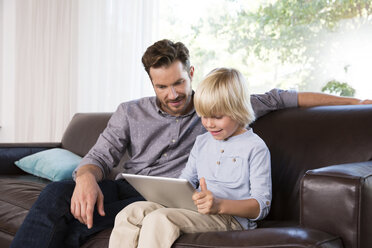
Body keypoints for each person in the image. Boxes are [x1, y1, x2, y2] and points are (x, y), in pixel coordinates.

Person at [10, 39, 372, 248]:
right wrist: (86, 177)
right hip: (134, 189)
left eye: (178, 83)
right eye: (161, 86)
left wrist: (356, 103)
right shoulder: (129, 113)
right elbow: (99, 157)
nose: (172, 95)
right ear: (151, 82)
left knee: (73, 224)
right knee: (59, 195)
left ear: (191, 73)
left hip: (188, 201)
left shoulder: (219, 108)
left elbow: (284, 98)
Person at [109, 67, 271, 248]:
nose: (209, 124)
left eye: (217, 117)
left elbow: (261, 206)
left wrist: (219, 205)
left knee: (160, 219)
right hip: (193, 211)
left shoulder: (255, 147)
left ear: (239, 109)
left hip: (230, 220)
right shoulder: (202, 142)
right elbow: (184, 182)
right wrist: (167, 193)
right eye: (203, 116)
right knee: (131, 212)